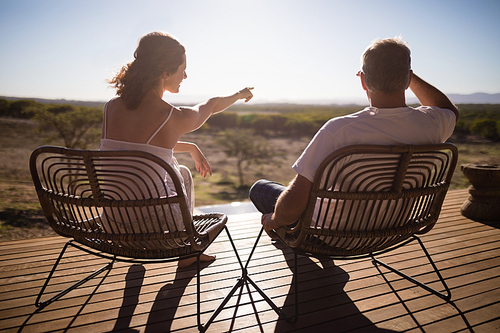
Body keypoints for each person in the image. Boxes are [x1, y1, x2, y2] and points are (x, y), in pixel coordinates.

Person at [249, 37, 459, 240]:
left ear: (363, 80)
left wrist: (274, 220)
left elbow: (293, 204)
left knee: (260, 189)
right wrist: (405, 75)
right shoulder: (431, 123)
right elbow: (448, 109)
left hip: (331, 237)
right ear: (407, 79)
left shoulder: (339, 130)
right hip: (396, 229)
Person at [100, 32, 253, 267]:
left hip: (113, 224)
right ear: (165, 72)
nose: (185, 75)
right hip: (156, 234)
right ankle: (188, 250)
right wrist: (240, 94)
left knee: (179, 170)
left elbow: (138, 147)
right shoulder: (170, 115)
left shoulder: (111, 108)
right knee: (184, 176)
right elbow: (210, 106)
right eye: (183, 69)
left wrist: (190, 146)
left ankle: (187, 250)